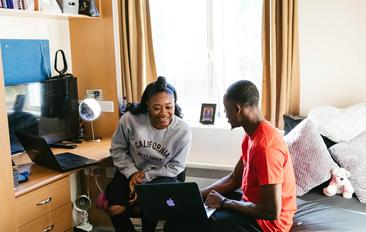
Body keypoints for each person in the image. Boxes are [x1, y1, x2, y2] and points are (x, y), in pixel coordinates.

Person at [165, 80, 296, 232]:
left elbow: (271, 211)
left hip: (268, 225)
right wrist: (194, 197)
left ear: (237, 109)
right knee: (188, 213)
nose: (225, 114)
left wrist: (224, 202)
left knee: (177, 226)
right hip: (252, 206)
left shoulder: (265, 147)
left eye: (226, 109)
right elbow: (234, 179)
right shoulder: (251, 135)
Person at [106, 76, 192, 232]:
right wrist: (132, 173)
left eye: (169, 107)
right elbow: (117, 149)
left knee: (149, 208)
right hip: (130, 171)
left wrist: (145, 177)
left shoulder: (183, 130)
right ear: (147, 105)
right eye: (157, 108)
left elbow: (176, 166)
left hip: (162, 175)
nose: (164, 113)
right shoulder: (130, 120)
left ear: (174, 104)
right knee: (115, 210)